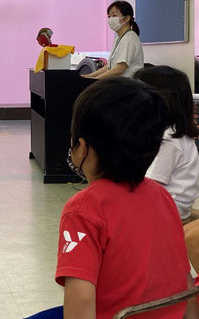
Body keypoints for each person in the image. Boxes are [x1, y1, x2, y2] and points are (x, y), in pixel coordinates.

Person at [58, 78, 192, 318]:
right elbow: (185, 278)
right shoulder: (162, 196)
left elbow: (81, 298)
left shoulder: (83, 209)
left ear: (81, 147)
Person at [133, 65, 199, 223]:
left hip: (166, 213)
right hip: (167, 207)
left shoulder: (169, 140)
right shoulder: (170, 133)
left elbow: (150, 185)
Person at [83, 1, 144, 79]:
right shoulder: (119, 39)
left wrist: (96, 79)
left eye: (114, 15)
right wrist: (90, 76)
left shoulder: (129, 38)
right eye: (109, 16)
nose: (111, 19)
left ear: (127, 18)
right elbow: (110, 66)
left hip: (128, 86)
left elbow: (120, 68)